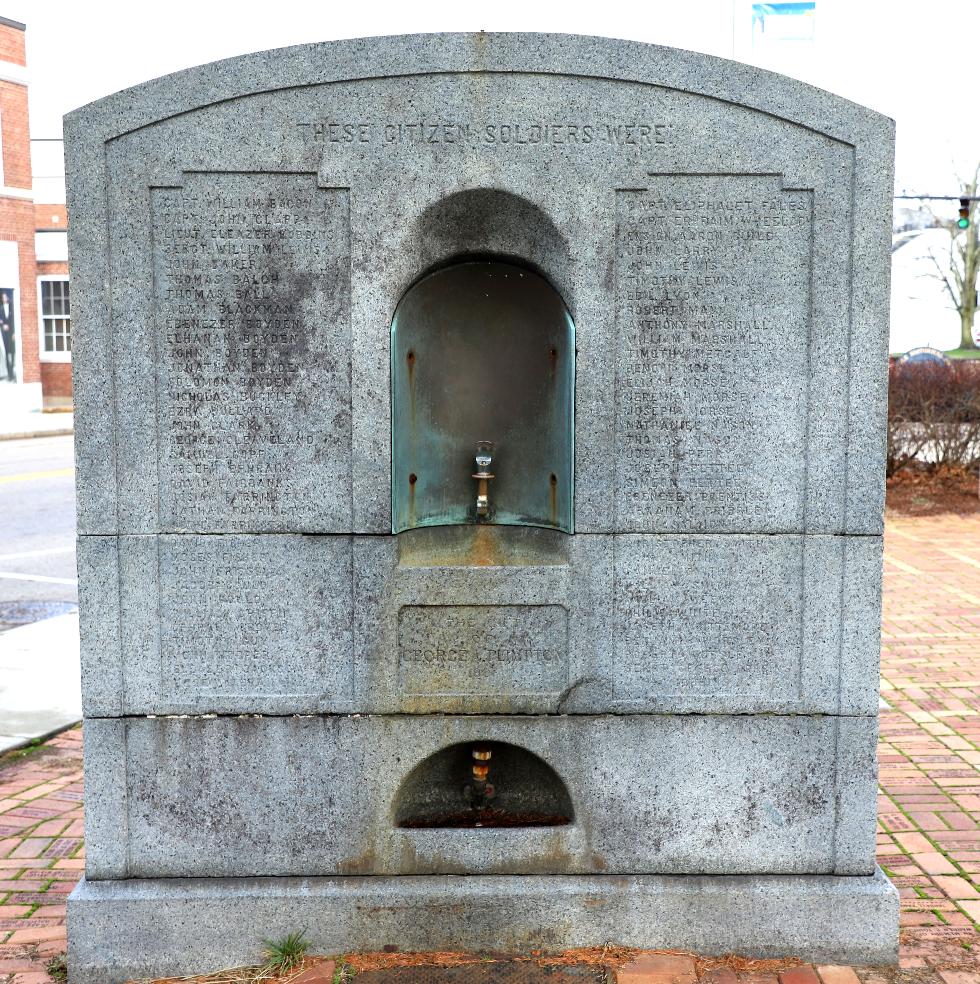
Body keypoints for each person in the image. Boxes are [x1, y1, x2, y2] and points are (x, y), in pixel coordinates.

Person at [0, 290, 14, 382]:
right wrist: (1, 323)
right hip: (4, 335)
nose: (4, 298)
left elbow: (14, 320)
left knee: (12, 353)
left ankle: (12, 373)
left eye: (5, 297)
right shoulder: (0, 309)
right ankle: (9, 374)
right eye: (3, 297)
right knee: (6, 353)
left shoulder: (12, 308)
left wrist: (14, 333)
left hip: (12, 334)